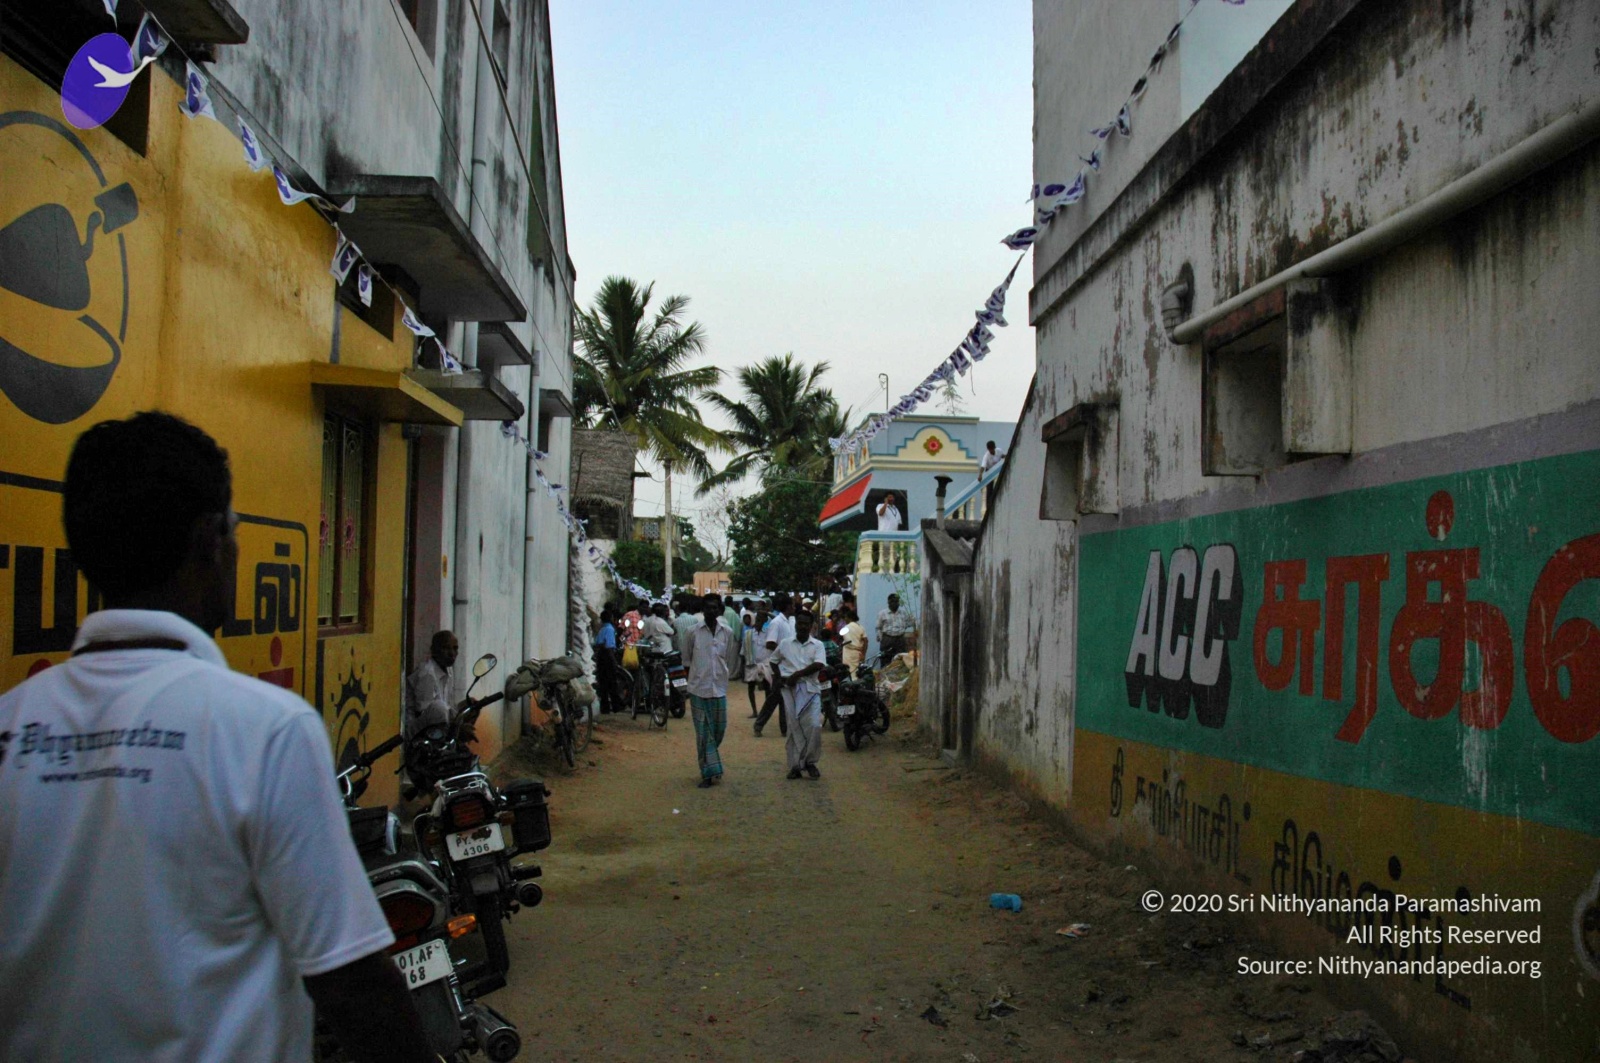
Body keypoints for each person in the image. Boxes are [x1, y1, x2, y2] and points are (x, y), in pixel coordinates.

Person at [0, 412, 429, 1063]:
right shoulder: (265, 730)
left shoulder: (11, 725)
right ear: (209, 540)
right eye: (234, 530)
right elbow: (351, 983)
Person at [685, 596, 735, 787]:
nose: (711, 611)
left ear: (719, 610)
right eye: (708, 608)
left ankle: (710, 762)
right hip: (698, 688)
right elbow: (687, 659)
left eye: (714, 608)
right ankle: (708, 772)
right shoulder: (692, 632)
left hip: (719, 688)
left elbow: (727, 658)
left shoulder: (727, 632)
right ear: (703, 609)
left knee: (719, 729)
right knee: (704, 733)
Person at [775, 610, 828, 780]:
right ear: (796, 624)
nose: (803, 626)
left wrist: (797, 675)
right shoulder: (785, 643)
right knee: (794, 728)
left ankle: (810, 761)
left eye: (806, 623)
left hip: (811, 689)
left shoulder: (818, 645)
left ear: (812, 626)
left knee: (814, 725)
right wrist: (779, 679)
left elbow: (819, 664)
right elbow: (773, 661)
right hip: (790, 690)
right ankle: (795, 766)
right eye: (800, 623)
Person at [753, 593, 794, 737]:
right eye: (792, 605)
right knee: (775, 697)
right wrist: (784, 652)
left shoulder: (790, 621)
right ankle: (759, 724)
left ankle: (784, 728)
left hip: (789, 665)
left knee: (783, 698)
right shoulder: (777, 623)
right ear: (788, 606)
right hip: (779, 665)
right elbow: (770, 643)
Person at [405, 628, 458, 740]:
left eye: (455, 648)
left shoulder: (448, 671)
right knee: (439, 708)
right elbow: (424, 713)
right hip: (414, 733)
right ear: (434, 651)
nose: (452, 653)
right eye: (446, 648)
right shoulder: (427, 673)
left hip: (436, 725)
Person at [742, 603, 770, 716]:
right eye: (757, 619)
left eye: (760, 619)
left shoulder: (768, 633)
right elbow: (744, 651)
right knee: (751, 687)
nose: (758, 622)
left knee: (767, 688)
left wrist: (767, 613)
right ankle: (754, 711)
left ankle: (766, 711)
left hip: (765, 664)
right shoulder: (748, 634)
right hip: (751, 663)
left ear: (764, 621)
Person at [594, 607, 623, 713]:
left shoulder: (602, 629)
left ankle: (605, 707)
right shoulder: (610, 629)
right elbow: (609, 647)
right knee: (612, 683)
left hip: (600, 657)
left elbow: (597, 643)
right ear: (611, 618)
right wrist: (614, 661)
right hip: (607, 657)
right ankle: (616, 706)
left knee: (603, 684)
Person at [878, 592, 917, 663]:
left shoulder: (903, 613)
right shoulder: (882, 613)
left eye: (896, 601)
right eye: (892, 601)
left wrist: (913, 620)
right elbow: (878, 627)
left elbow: (909, 624)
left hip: (900, 639)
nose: (894, 603)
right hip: (887, 639)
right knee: (885, 660)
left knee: (900, 660)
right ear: (888, 602)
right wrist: (882, 639)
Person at [672, 595, 703, 660]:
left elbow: (674, 633)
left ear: (679, 609)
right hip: (693, 644)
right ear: (687, 609)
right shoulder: (694, 618)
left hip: (680, 645)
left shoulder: (675, 621)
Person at [839, 607, 868, 676]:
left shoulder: (846, 628)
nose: (845, 619)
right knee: (857, 672)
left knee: (849, 671)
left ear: (849, 618)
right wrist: (863, 654)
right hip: (858, 653)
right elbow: (866, 641)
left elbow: (841, 638)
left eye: (846, 617)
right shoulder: (860, 627)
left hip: (848, 653)